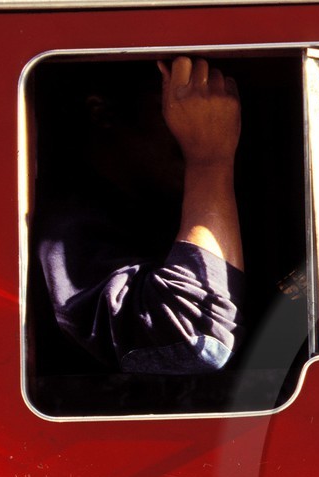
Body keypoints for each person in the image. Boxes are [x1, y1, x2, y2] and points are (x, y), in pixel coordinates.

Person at [31, 56, 245, 375]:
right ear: (103, 113)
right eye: (176, 109)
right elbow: (196, 341)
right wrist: (210, 158)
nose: (210, 125)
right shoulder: (69, 224)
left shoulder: (146, 209)